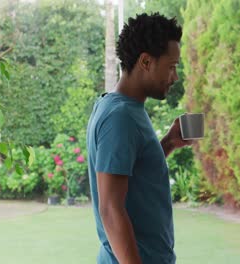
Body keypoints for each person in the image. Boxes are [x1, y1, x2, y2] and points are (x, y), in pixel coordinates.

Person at [86, 13, 191, 264]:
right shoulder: (120, 117)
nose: (174, 77)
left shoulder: (127, 109)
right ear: (145, 61)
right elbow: (110, 209)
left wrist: (167, 143)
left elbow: (134, 172)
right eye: (171, 66)